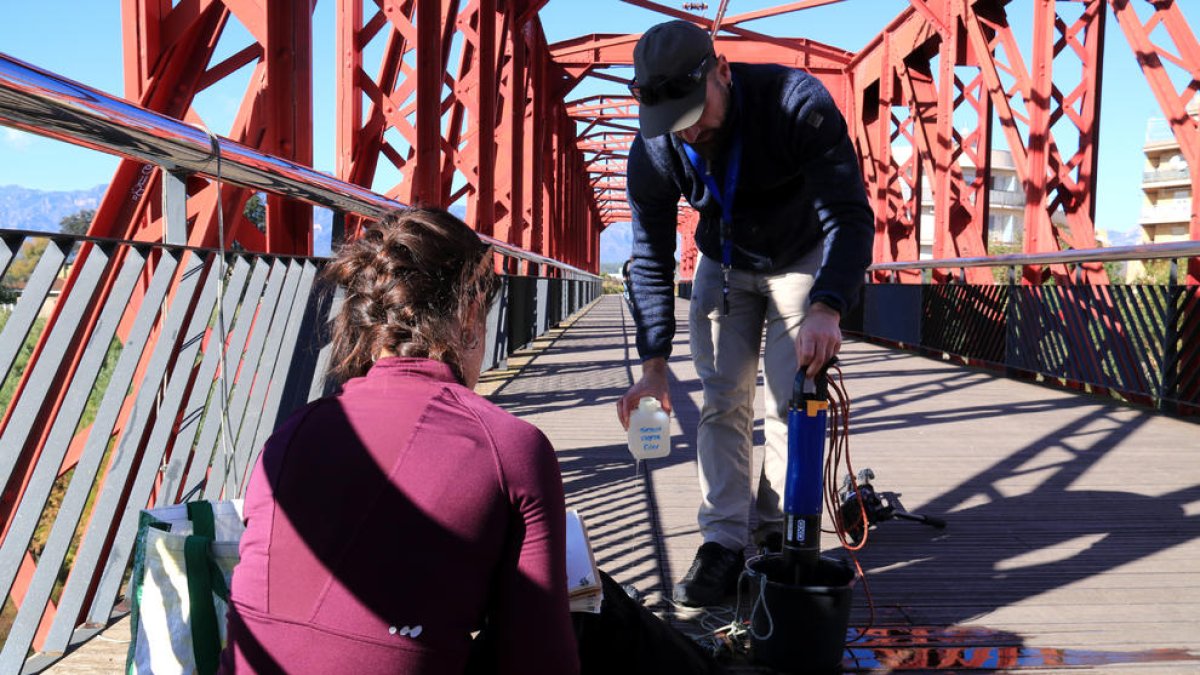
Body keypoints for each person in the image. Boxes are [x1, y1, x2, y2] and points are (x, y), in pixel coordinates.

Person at [220, 206, 726, 674]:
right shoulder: (510, 445)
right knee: (587, 605)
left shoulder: (289, 434)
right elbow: (542, 664)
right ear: (469, 313)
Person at [617, 20, 875, 608]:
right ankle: (723, 542)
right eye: (673, 123)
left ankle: (777, 530)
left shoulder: (796, 104)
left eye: (695, 113)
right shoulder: (655, 147)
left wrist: (828, 305)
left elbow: (851, 216)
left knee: (790, 402)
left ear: (723, 72)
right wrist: (653, 363)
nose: (690, 132)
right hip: (725, 262)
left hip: (800, 257)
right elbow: (651, 256)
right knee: (721, 400)